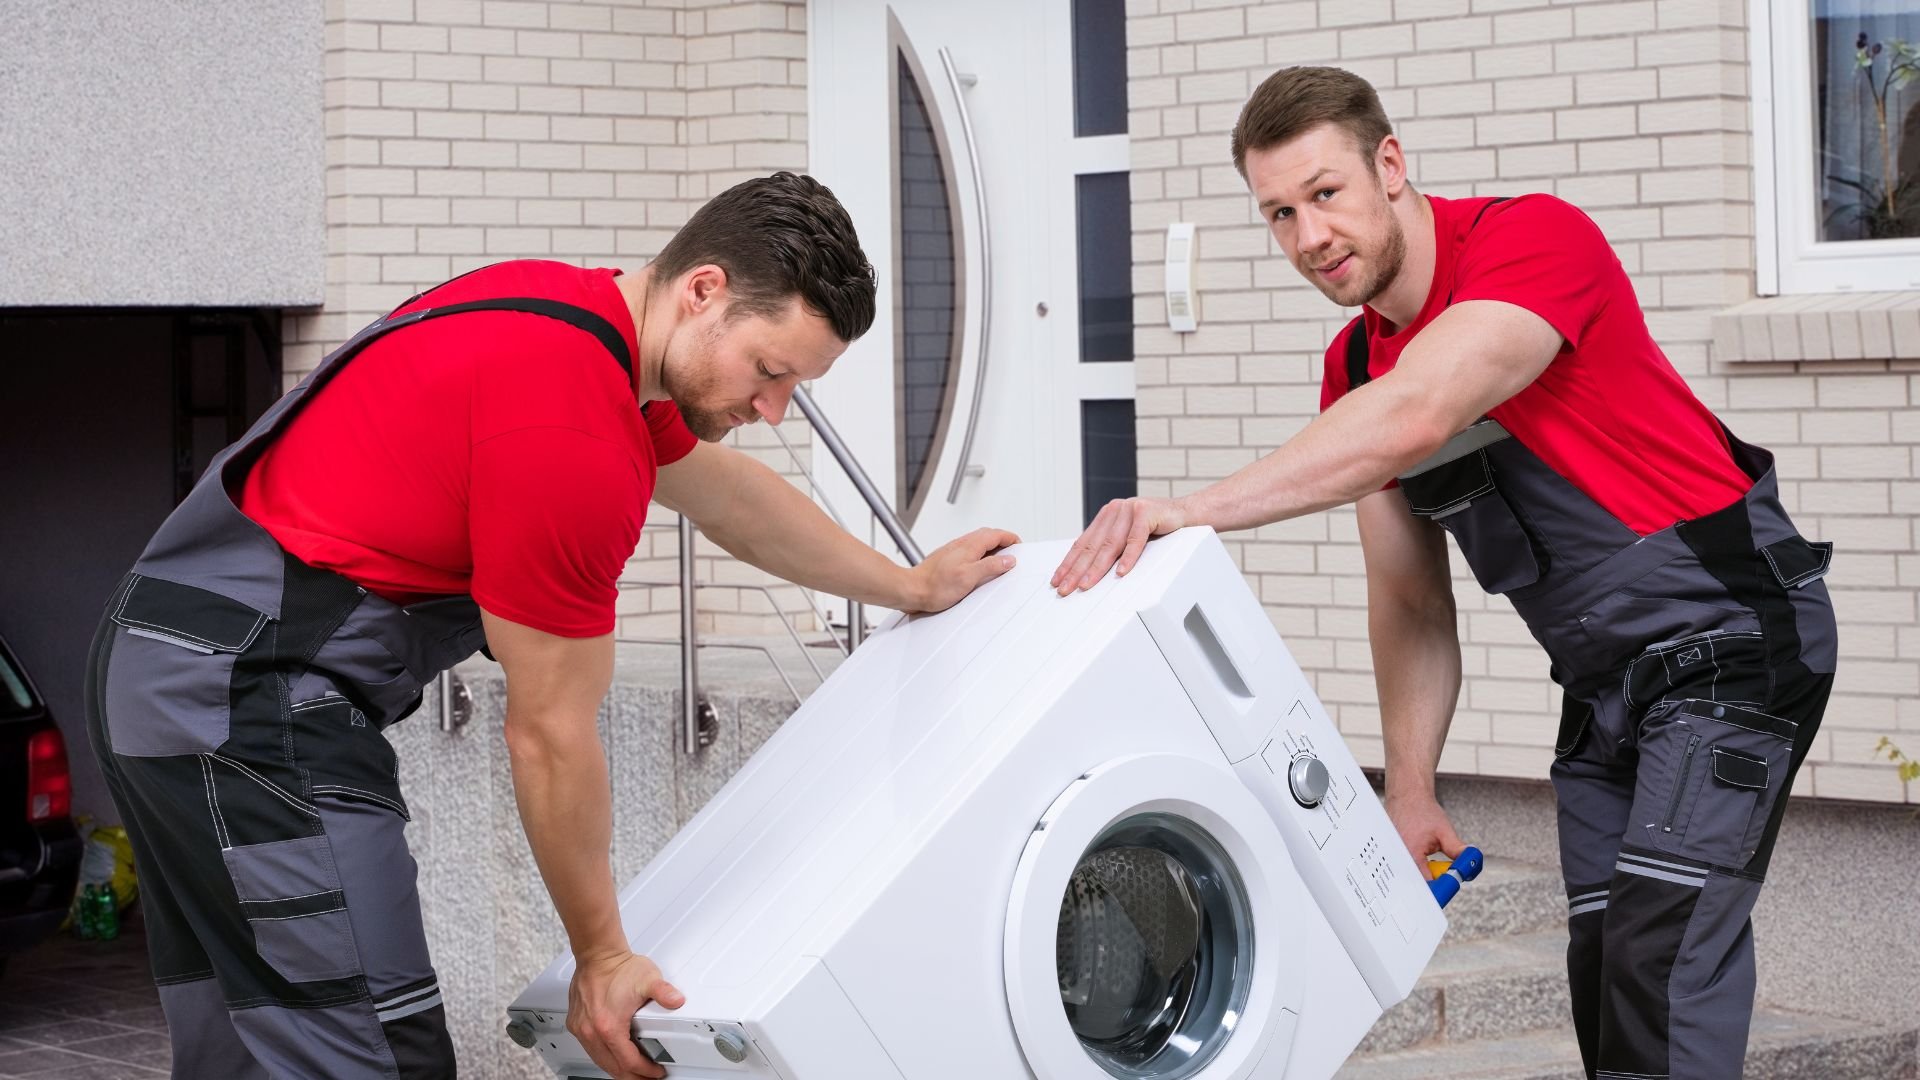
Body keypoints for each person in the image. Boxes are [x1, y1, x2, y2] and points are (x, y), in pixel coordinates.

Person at [86, 171, 1018, 1080]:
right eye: (770, 373)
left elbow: (728, 498)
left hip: (173, 667)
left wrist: (908, 585)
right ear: (705, 291)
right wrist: (603, 959)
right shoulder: (570, 438)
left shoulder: (561, 312)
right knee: (372, 1049)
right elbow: (549, 734)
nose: (772, 410)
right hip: (249, 703)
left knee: (255, 1044)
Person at [1052, 67, 1835, 1080]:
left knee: (1662, 954)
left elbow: (1425, 410)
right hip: (1608, 688)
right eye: (1279, 213)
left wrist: (1192, 510)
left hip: (1730, 639)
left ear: (1390, 164)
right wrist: (1409, 787)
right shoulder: (1355, 370)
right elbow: (1412, 600)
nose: (1308, 237)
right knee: (1606, 964)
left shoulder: (1532, 244)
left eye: (1325, 194)